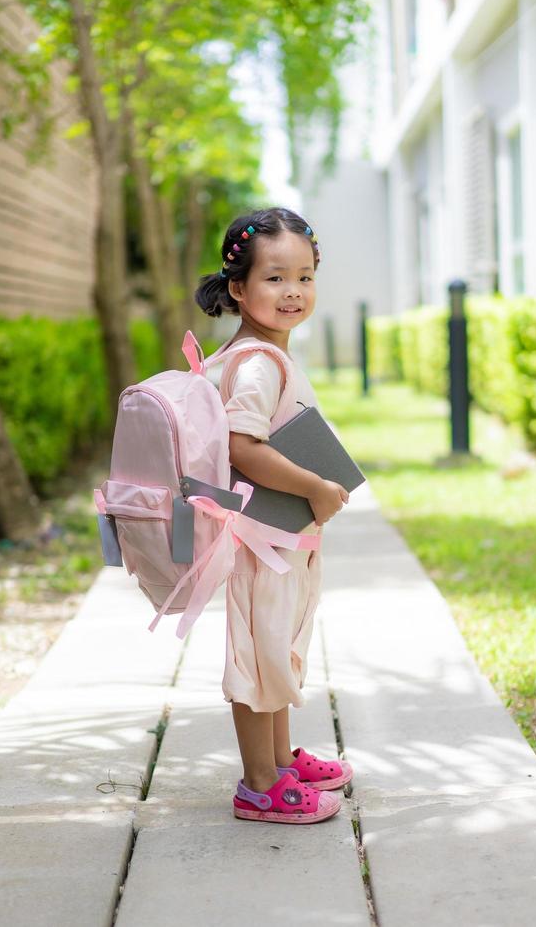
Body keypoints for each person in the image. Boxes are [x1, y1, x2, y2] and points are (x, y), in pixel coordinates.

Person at [194, 206, 352, 824]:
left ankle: (280, 758)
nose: (294, 292)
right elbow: (240, 446)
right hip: (265, 541)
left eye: (306, 276)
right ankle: (260, 785)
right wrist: (316, 487)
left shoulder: (256, 353)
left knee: (275, 649)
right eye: (276, 278)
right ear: (239, 288)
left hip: (278, 538)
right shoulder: (259, 362)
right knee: (259, 659)